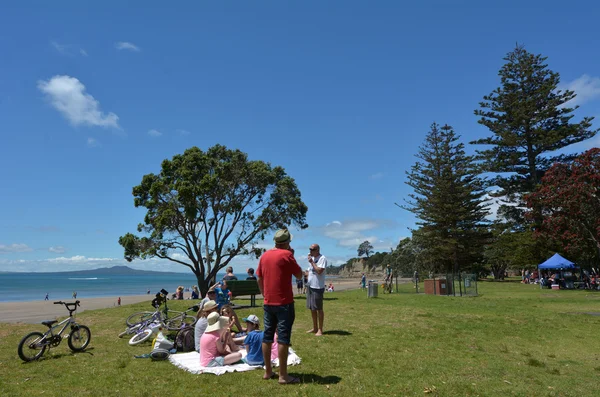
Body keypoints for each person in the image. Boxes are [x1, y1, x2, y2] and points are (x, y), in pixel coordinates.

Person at [256, 228, 303, 385]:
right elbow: (299, 275)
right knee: (283, 338)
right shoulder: (287, 255)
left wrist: (265, 294)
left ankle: (268, 371)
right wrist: (292, 255)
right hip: (284, 303)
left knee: (267, 336)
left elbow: (259, 278)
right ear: (288, 242)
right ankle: (283, 376)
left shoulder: (264, 255)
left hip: (268, 303)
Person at [306, 243, 327, 337]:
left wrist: (312, 262)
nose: (310, 251)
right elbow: (309, 272)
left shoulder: (322, 258)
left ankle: (320, 329)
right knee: (312, 309)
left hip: (318, 287)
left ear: (317, 250)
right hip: (310, 286)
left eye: (312, 249)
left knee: (319, 309)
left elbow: (319, 271)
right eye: (310, 249)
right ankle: (314, 327)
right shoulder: (312, 259)